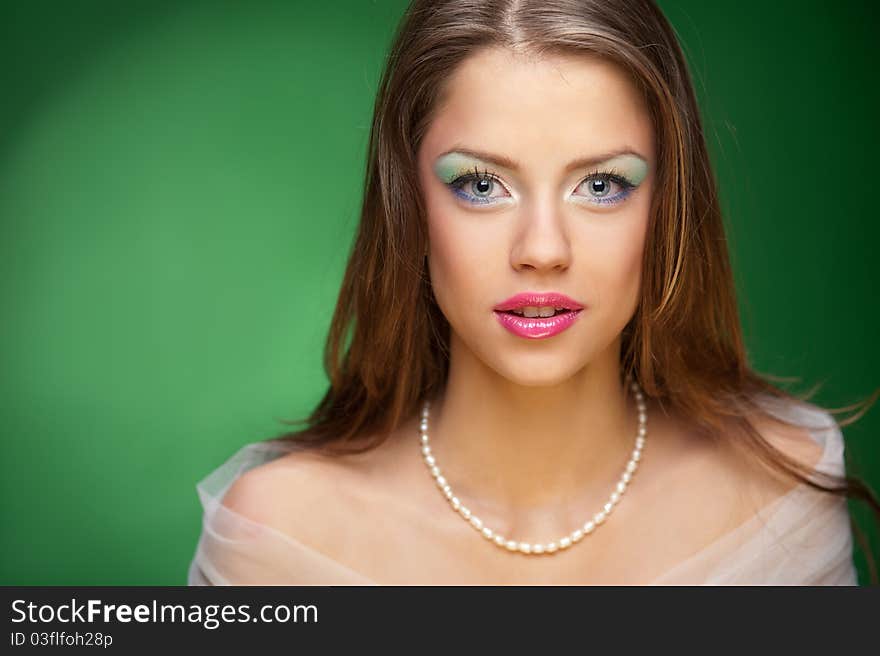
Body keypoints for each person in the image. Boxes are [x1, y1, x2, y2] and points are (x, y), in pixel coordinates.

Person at [187, 0, 878, 585]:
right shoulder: (275, 540)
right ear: (409, 206)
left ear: (666, 204)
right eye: (481, 185)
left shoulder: (782, 491)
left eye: (602, 185)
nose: (543, 250)